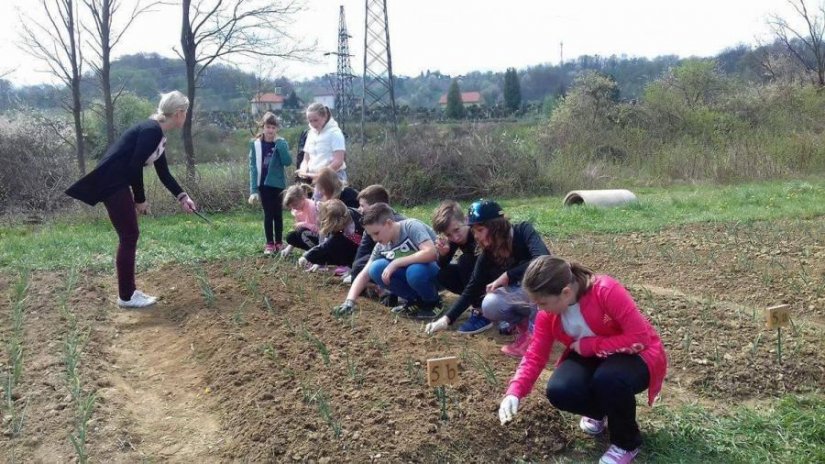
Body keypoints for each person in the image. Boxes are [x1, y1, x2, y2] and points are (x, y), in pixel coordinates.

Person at [498, 256, 667, 464]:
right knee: (560, 390)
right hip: (593, 356)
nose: (540, 310)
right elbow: (535, 355)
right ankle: (603, 412)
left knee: (609, 379)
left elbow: (639, 337)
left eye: (543, 303)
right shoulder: (547, 316)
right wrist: (515, 391)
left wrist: (590, 346)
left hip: (636, 353)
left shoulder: (606, 290)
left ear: (565, 293)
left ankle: (626, 443)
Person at [65, 90, 197, 308]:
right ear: (179, 113)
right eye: (186, 112)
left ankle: (127, 294)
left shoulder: (158, 133)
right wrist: (140, 198)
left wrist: (183, 197)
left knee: (129, 234)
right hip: (112, 182)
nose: (186, 116)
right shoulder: (151, 131)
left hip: (117, 182)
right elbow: (134, 165)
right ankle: (126, 296)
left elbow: (164, 173)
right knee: (129, 234)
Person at [424, 199, 550, 358]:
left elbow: (543, 259)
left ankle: (535, 338)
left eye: (480, 230)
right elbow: (472, 286)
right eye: (474, 231)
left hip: (544, 292)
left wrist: (508, 275)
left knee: (537, 279)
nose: (475, 236)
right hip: (521, 294)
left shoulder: (523, 230)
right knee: (490, 304)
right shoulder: (488, 250)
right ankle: (521, 324)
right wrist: (446, 319)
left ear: (495, 227)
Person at [332, 203, 440, 320]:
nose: (375, 239)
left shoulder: (410, 226)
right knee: (376, 268)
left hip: (436, 274)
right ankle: (415, 301)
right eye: (371, 235)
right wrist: (349, 301)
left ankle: (433, 302)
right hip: (414, 277)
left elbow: (431, 253)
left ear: (389, 223)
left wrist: (396, 263)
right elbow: (364, 274)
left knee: (414, 271)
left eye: (376, 233)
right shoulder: (381, 245)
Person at [431, 200, 487, 334]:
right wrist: (443, 254)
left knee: (465, 261)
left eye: (456, 230)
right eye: (449, 234)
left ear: (466, 220)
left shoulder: (478, 233)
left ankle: (482, 311)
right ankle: (475, 302)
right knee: (443, 275)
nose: (455, 237)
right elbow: (442, 265)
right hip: (477, 279)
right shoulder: (455, 239)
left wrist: (448, 318)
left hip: (494, 275)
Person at [247, 112, 292, 255]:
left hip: (277, 185)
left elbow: (287, 161)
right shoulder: (256, 144)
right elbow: (253, 167)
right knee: (268, 214)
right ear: (263, 127)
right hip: (263, 185)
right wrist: (254, 189)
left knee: (278, 214)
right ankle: (269, 244)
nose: (270, 130)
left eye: (273, 127)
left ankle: (279, 242)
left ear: (276, 128)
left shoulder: (281, 143)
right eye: (268, 127)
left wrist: (280, 145)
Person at [299, 199, 362, 272]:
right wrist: (310, 257)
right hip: (352, 248)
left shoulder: (359, 220)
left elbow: (367, 247)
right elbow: (326, 245)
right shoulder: (339, 230)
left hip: (364, 252)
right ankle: (348, 266)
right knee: (335, 243)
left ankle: (352, 268)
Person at [296, 103, 347, 190]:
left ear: (325, 116)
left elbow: (338, 161)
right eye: (310, 121)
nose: (312, 124)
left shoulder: (335, 133)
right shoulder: (310, 134)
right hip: (314, 180)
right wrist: (303, 170)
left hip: (332, 178)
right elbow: (306, 158)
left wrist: (321, 174)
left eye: (316, 120)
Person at [280, 183, 319, 258]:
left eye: (295, 205)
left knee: (302, 232)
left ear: (303, 198)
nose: (293, 208)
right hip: (307, 234)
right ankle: (309, 250)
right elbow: (298, 229)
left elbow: (318, 229)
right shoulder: (296, 210)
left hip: (319, 236)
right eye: (291, 206)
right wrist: (288, 249)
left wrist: (303, 224)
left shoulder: (312, 207)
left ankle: (315, 253)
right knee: (290, 236)